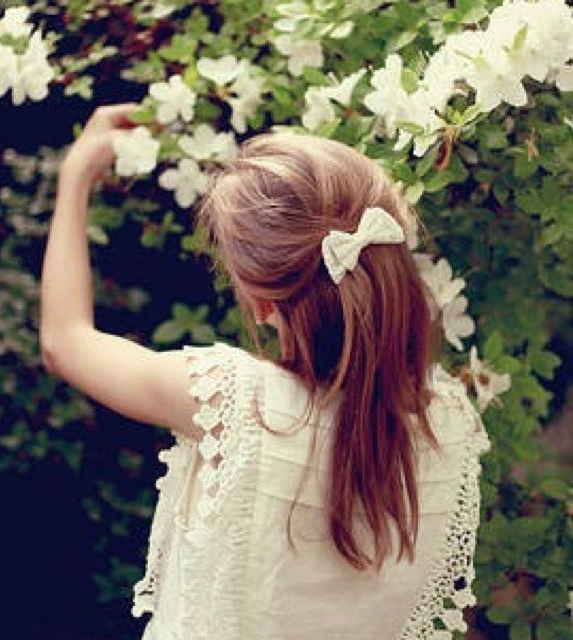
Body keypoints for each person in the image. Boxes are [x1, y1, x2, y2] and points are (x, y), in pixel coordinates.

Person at [40, 103, 491, 640]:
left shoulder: (233, 402)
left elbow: (64, 340)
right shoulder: (452, 424)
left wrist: (76, 175)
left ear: (260, 304)